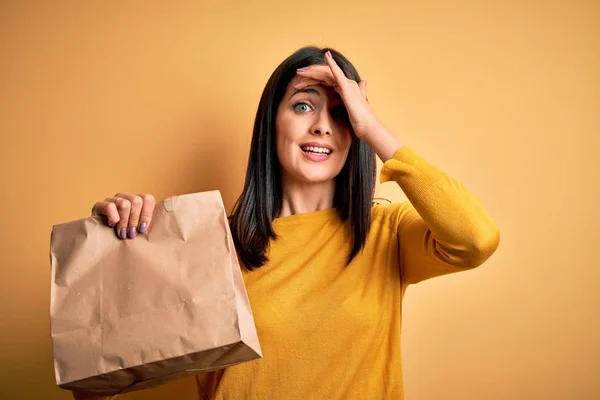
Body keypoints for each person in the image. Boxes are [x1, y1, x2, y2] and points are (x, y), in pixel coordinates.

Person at [81, 46, 500, 399]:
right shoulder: (208, 245)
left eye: (342, 115)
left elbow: (476, 239)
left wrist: (373, 128)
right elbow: (93, 381)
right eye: (303, 105)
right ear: (272, 122)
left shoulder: (385, 234)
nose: (322, 125)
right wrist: (119, 247)